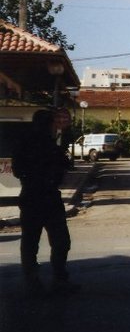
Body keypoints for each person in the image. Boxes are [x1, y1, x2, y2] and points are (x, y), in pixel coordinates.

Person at [11, 109, 78, 296]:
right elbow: (64, 164)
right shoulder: (44, 143)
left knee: (32, 242)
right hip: (44, 195)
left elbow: (17, 170)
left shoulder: (30, 142)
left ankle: (35, 281)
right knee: (59, 241)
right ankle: (56, 280)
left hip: (33, 195)